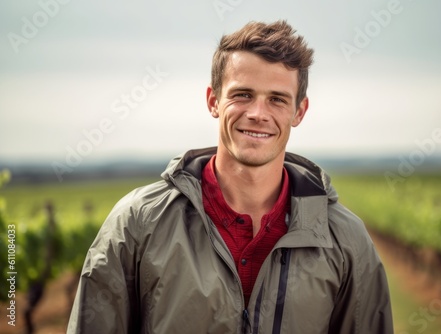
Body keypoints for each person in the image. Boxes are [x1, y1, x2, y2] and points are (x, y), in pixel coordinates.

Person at [68, 20, 394, 333]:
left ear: (299, 111)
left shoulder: (346, 239)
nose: (257, 113)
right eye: (243, 95)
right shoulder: (137, 222)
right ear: (213, 101)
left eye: (277, 99)